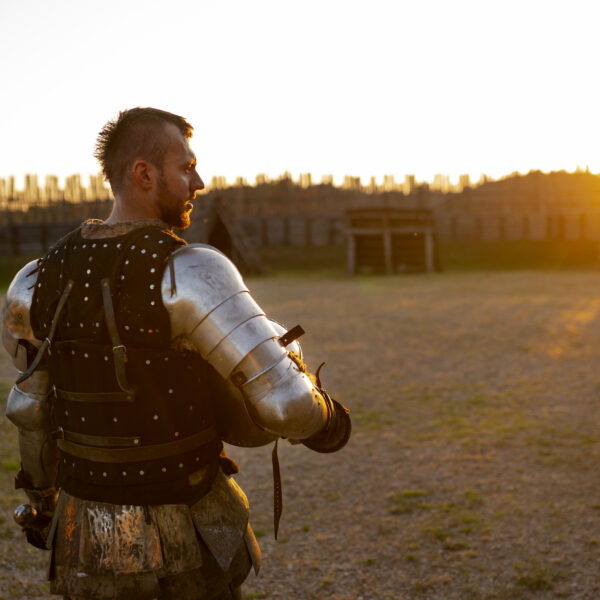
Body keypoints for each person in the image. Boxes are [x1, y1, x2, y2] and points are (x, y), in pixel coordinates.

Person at [2, 107, 351, 600]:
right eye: (186, 167)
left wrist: (41, 502)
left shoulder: (36, 278)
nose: (199, 182)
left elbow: (29, 408)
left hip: (83, 530)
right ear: (143, 174)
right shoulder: (188, 271)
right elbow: (286, 405)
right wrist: (330, 423)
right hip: (184, 525)